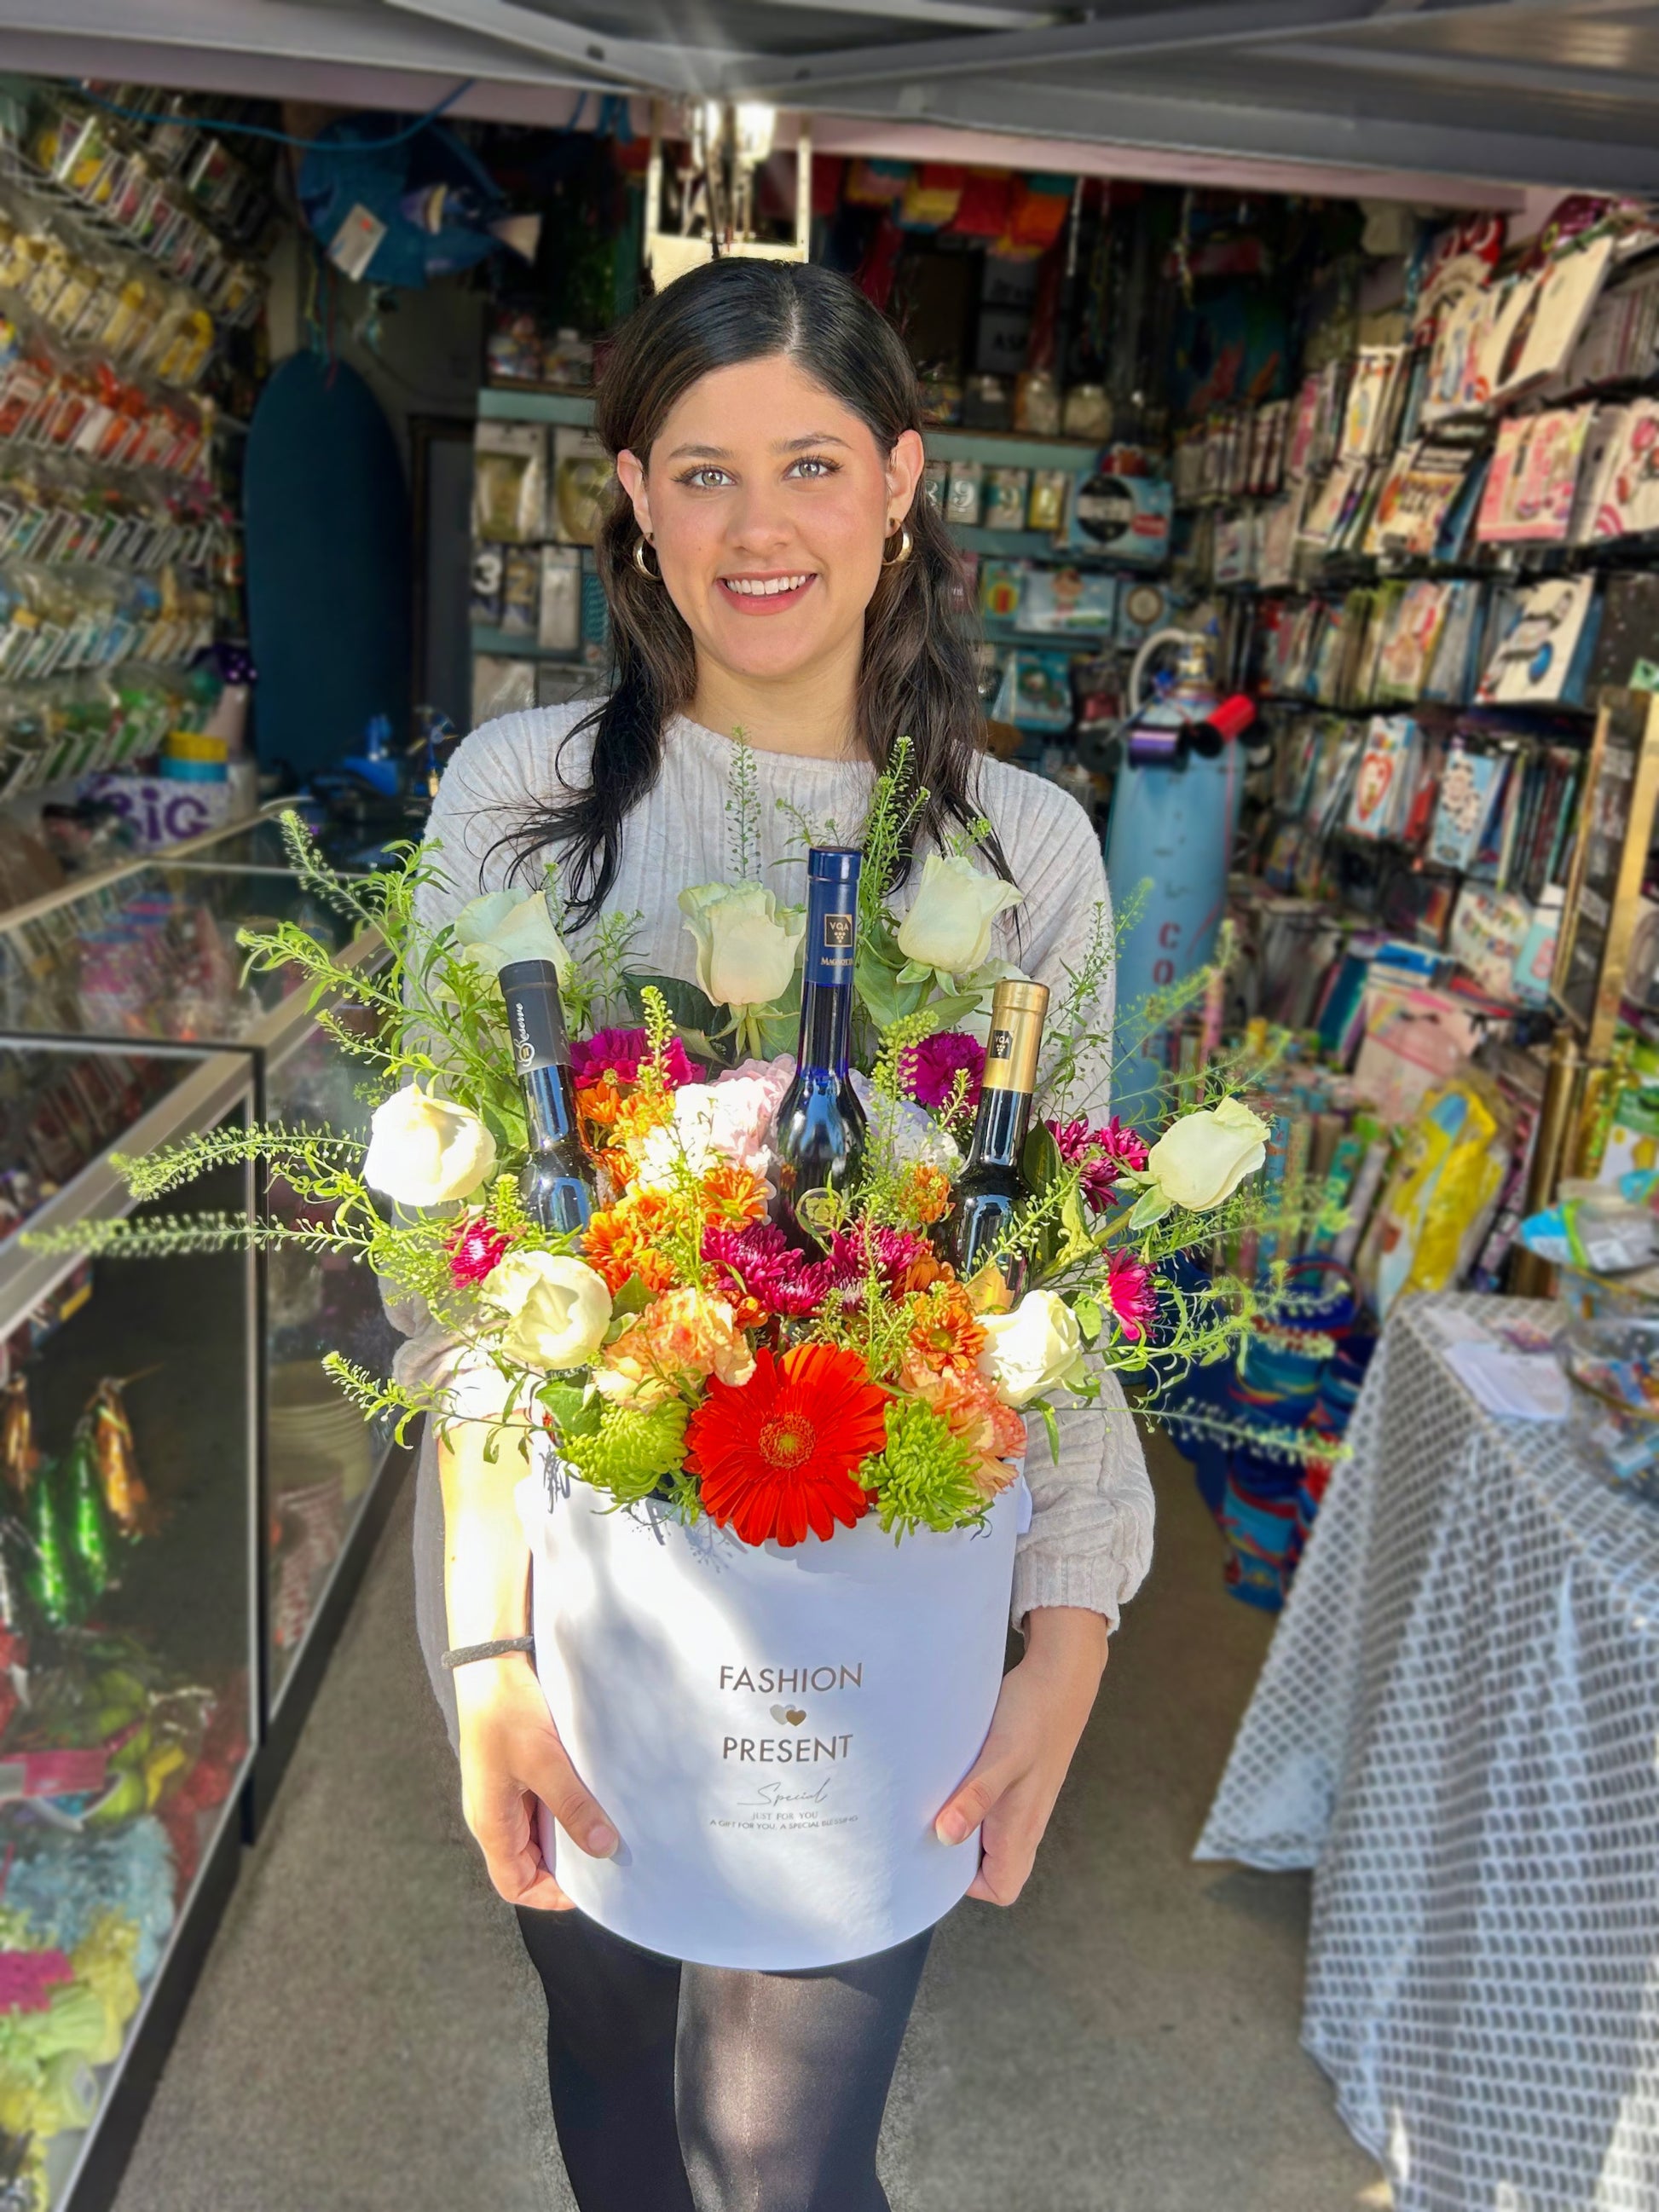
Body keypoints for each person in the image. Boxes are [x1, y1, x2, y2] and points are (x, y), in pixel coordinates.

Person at [400, 256, 1153, 2212]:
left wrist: (1061, 1645)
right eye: (702, 470)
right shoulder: (523, 804)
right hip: (591, 1605)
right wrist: (487, 1654)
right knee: (611, 2068)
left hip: (883, 1612)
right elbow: (452, 1286)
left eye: (809, 461)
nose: (759, 526)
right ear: (635, 496)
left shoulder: (1019, 850)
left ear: (902, 476)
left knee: (784, 2147)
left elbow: (1051, 1288)